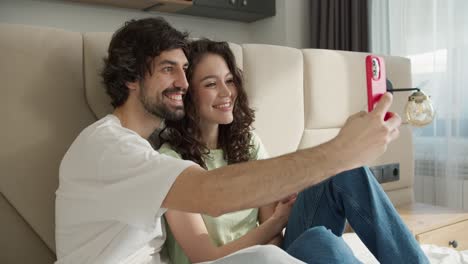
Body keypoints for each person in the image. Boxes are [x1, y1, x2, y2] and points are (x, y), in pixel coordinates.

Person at [55, 17, 410, 264]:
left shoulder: (146, 154)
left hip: (265, 248)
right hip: (231, 256)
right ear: (132, 78)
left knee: (342, 182)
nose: (181, 81)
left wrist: (328, 172)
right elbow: (213, 196)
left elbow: (266, 213)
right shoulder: (113, 150)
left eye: (183, 70)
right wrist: (341, 150)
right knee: (312, 241)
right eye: (168, 69)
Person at [158, 39, 429, 264]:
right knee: (320, 241)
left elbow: (274, 238)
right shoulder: (171, 163)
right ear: (188, 95)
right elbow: (205, 257)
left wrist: (276, 224)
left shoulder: (246, 143)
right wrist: (276, 223)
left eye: (229, 80)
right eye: (210, 84)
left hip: (270, 256)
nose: (226, 91)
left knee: (345, 169)